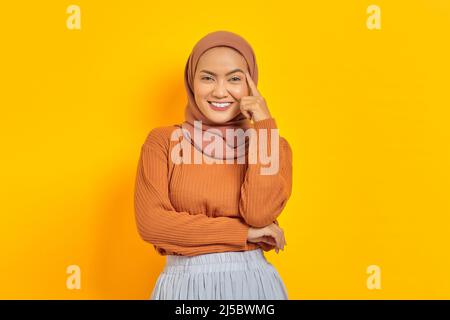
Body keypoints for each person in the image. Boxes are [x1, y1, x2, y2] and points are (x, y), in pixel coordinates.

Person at [133, 30, 293, 300]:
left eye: (234, 79)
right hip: (182, 286)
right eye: (207, 78)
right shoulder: (162, 142)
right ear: (191, 83)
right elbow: (152, 224)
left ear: (251, 84)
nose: (220, 91)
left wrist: (264, 126)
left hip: (252, 286)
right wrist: (245, 233)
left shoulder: (271, 143)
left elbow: (258, 213)